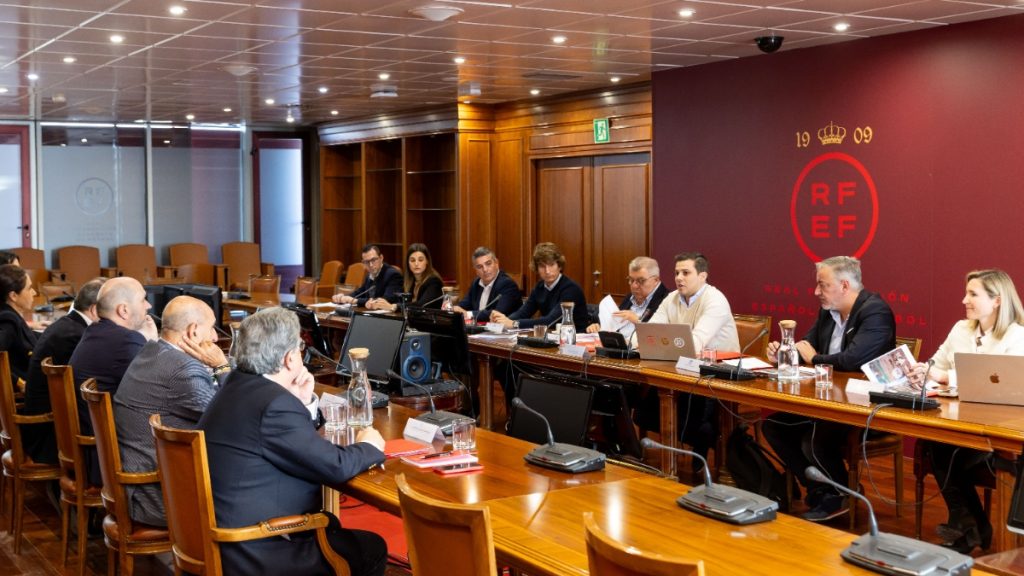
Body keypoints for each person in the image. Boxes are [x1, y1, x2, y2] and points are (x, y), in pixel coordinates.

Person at [198, 307, 388, 576]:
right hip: (254, 550)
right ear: (289, 359)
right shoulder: (273, 404)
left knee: (333, 525)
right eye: (300, 346)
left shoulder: (235, 385)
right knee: (371, 547)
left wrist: (304, 402)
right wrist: (369, 445)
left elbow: (294, 445)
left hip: (223, 538)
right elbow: (335, 466)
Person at [762, 255, 895, 522]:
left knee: (814, 437)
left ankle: (844, 492)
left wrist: (814, 359)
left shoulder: (875, 311)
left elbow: (851, 360)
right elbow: (807, 345)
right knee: (774, 427)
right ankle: (822, 490)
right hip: (827, 400)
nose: (816, 292)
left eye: (822, 285)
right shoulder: (828, 312)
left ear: (844, 286)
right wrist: (785, 353)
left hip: (864, 406)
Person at [912, 269, 1024, 553]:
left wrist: (946, 377)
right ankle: (972, 527)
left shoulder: (1017, 336)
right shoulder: (961, 329)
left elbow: (1005, 384)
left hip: (1000, 428)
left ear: (997, 300)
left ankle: (972, 528)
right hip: (958, 419)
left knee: (947, 454)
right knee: (936, 447)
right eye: (966, 293)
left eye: (973, 294)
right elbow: (935, 362)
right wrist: (922, 371)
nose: (965, 300)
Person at [114, 295, 230, 527]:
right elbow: (231, 417)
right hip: (158, 496)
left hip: (138, 483)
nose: (216, 337)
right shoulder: (183, 369)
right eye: (212, 328)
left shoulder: (151, 350)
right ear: (193, 331)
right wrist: (222, 366)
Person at [635, 253, 740, 472]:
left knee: (690, 417)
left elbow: (698, 342)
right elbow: (649, 331)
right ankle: (694, 445)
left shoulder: (715, 300)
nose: (679, 278)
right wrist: (639, 342)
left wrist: (661, 345)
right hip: (681, 369)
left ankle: (708, 442)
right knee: (644, 412)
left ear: (702, 276)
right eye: (676, 273)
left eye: (686, 273)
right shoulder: (672, 297)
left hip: (717, 375)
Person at [69, 276, 157, 485]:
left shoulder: (94, 331)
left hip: (91, 446)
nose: (149, 305)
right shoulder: (126, 340)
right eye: (143, 299)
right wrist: (151, 343)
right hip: (107, 456)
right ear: (123, 310)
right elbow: (155, 386)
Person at [22, 278, 106, 464]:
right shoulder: (76, 336)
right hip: (48, 437)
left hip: (47, 429)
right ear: (94, 310)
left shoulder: (68, 326)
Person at [489, 242, 589, 330]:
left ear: (559, 266)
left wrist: (514, 324)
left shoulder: (571, 289)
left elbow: (550, 321)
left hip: (576, 339)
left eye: (551, 265)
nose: (547, 271)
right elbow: (523, 313)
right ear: (536, 268)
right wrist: (502, 320)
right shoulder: (539, 287)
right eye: (542, 266)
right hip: (551, 337)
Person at [586, 256, 670, 341]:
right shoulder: (630, 297)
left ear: (656, 280)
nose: (634, 285)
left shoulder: (667, 300)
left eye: (641, 281)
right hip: (618, 347)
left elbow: (661, 336)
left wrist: (637, 320)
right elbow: (615, 324)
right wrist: (599, 327)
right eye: (631, 280)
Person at [453, 246, 521, 322]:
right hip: (481, 329)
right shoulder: (476, 283)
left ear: (496, 263)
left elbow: (497, 314)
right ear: (476, 270)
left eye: (488, 264)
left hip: (505, 331)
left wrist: (467, 314)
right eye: (479, 267)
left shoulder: (507, 285)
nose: (485, 269)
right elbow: (464, 304)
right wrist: (455, 309)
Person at [372, 243, 443, 312]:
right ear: (408, 263)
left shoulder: (434, 282)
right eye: (412, 260)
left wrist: (394, 306)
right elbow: (398, 299)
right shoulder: (410, 281)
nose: (416, 264)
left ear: (427, 261)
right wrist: (378, 302)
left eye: (420, 260)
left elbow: (421, 305)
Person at [0, 264, 38, 385]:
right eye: (29, 288)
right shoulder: (8, 320)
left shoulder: (11, 315)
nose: (34, 292)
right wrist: (19, 383)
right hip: (25, 394)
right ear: (13, 296)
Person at [331, 244, 402, 308]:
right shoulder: (369, 275)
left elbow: (386, 300)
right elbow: (359, 292)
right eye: (367, 262)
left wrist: (355, 301)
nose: (371, 265)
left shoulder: (393, 275)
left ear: (381, 258)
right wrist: (343, 297)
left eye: (373, 260)